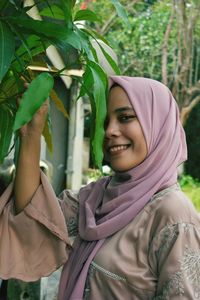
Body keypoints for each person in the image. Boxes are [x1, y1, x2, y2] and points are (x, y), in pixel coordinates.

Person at [0, 76, 200, 300]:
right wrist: (31, 134)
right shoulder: (97, 197)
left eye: (125, 118)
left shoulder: (173, 216)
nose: (110, 131)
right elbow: (32, 219)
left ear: (158, 126)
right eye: (105, 122)